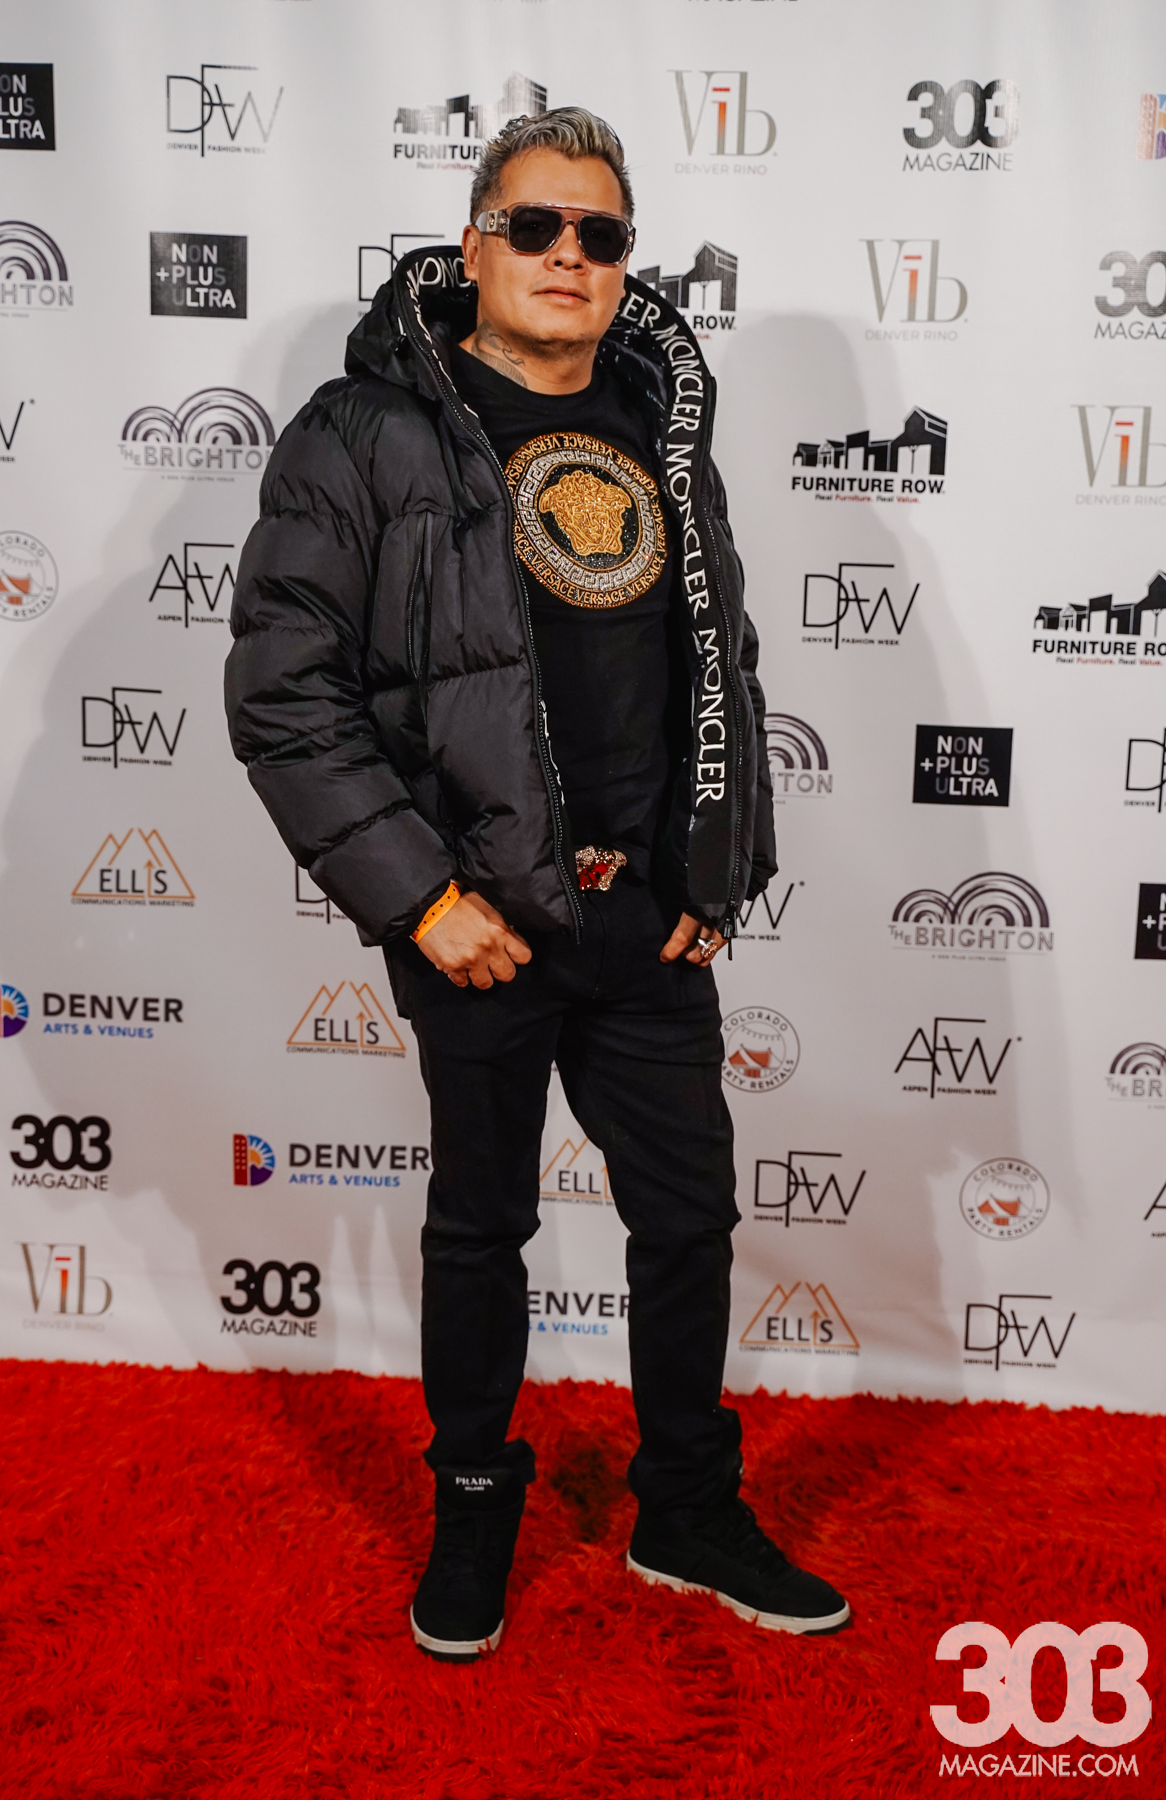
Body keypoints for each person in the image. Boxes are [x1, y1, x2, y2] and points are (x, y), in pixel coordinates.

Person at [225, 106, 849, 1660]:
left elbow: (722, 668)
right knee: (480, 1225)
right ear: (473, 247)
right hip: (481, 916)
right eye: (537, 225)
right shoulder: (363, 433)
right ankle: (475, 1503)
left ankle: (685, 1506)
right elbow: (285, 693)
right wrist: (423, 900)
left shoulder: (661, 421)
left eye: (602, 234)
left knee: (689, 1220)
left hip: (648, 920)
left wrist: (721, 865)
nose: (570, 255)